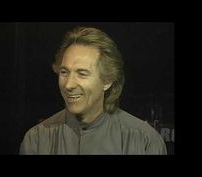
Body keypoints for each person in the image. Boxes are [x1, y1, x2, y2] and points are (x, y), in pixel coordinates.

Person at [19, 26, 167, 155]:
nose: (69, 85)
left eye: (82, 73)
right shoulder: (37, 140)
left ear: (107, 80)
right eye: (64, 72)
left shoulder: (144, 142)